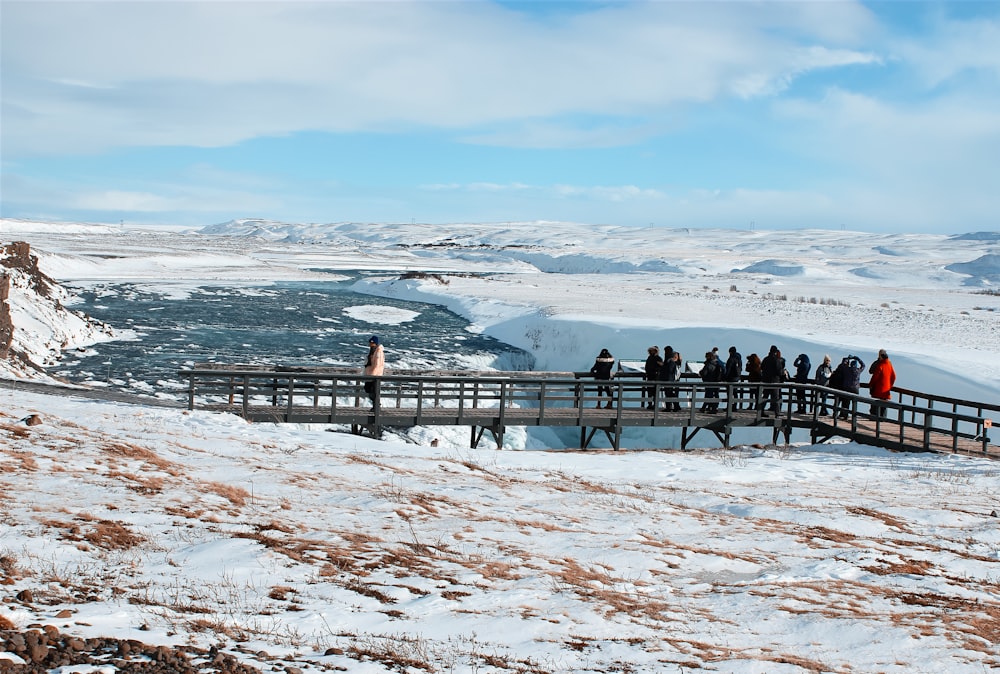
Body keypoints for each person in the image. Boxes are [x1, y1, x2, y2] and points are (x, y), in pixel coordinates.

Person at [833, 354, 865, 419]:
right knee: (854, 403)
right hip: (855, 390)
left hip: (847, 388)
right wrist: (858, 359)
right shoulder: (858, 371)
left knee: (846, 403)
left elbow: (843, 364)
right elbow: (863, 365)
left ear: (851, 365)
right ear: (856, 365)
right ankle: (853, 416)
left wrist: (848, 358)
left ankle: (845, 415)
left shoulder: (847, 369)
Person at [757, 345, 786, 415]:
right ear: (775, 352)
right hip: (774, 381)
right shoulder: (776, 360)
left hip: (766, 381)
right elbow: (779, 371)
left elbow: (762, 367)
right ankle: (777, 412)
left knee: (765, 396)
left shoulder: (765, 359)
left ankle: (761, 411)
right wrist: (783, 372)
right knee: (776, 397)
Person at [868, 348, 896, 417]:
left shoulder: (880, 365)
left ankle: (874, 419)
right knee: (883, 407)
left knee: (875, 405)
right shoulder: (889, 364)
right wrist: (890, 386)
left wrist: (871, 385)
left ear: (881, 356)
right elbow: (894, 376)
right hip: (886, 391)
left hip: (878, 389)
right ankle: (882, 420)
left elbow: (875, 377)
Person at [363, 335, 385, 404]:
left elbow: (377, 364)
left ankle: (376, 406)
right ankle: (375, 405)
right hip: (370, 374)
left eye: (371, 343)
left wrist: (373, 374)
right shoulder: (372, 351)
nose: (370, 344)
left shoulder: (378, 352)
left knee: (373, 391)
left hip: (374, 375)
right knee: (369, 390)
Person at [659, 346, 681, 411]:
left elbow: (669, 370)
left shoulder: (669, 361)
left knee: (669, 393)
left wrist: (662, 366)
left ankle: (670, 407)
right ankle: (675, 406)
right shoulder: (671, 360)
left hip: (668, 379)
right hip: (670, 379)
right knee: (670, 393)